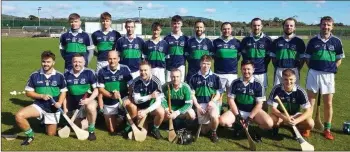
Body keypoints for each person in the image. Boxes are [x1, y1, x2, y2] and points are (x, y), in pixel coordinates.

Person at [305, 16, 345, 140]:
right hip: (314, 73)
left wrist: (332, 69)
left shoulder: (337, 41)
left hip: (328, 75)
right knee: (310, 102)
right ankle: (307, 127)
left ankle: (327, 129)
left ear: (332, 26)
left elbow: (339, 58)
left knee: (328, 103)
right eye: (324, 24)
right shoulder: (313, 41)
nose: (326, 27)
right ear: (320, 25)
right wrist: (314, 68)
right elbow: (307, 58)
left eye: (328, 25)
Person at [15, 51, 67, 145]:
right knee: (19, 116)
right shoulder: (34, 75)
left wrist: (59, 102)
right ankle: (30, 135)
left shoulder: (59, 76)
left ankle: (48, 122)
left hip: (53, 108)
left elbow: (63, 91)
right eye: (43, 61)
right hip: (39, 105)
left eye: (48, 62)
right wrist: (41, 96)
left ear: (53, 62)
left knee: (51, 134)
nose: (45, 64)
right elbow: (28, 92)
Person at [219, 60, 273, 142]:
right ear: (241, 69)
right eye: (244, 69)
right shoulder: (235, 83)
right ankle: (238, 127)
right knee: (222, 121)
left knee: (269, 123)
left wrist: (250, 118)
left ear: (253, 70)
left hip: (253, 112)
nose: (246, 71)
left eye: (249, 69)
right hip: (239, 110)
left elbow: (259, 104)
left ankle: (255, 133)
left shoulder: (258, 84)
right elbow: (230, 100)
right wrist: (237, 115)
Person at [123, 61, 165, 139]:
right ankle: (132, 126)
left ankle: (155, 128)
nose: (143, 72)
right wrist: (150, 96)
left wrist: (146, 111)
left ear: (150, 70)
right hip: (139, 109)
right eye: (141, 70)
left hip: (150, 108)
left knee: (161, 112)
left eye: (145, 70)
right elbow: (136, 100)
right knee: (143, 133)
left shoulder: (156, 82)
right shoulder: (136, 82)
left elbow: (158, 102)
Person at [268, 69, 314, 138]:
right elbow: (273, 109)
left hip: (295, 116)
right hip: (281, 115)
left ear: (295, 79)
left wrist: (296, 120)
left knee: (310, 123)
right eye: (285, 79)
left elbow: (308, 111)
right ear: (282, 79)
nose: (288, 82)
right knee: (270, 120)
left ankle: (295, 127)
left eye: (291, 79)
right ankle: (276, 127)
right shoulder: (277, 89)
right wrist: (285, 118)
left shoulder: (300, 91)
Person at [92, 12, 122, 117]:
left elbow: (119, 49)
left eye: (107, 20)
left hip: (112, 63)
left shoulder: (116, 34)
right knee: (100, 87)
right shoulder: (95, 34)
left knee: (113, 84)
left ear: (110, 21)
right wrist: (98, 54)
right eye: (103, 20)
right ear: (101, 21)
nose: (105, 23)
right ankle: (100, 110)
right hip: (100, 63)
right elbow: (92, 49)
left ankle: (117, 108)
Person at [63, 53, 99, 141]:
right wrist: (65, 108)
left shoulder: (89, 72)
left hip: (86, 101)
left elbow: (96, 90)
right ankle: (86, 120)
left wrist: (89, 99)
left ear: (84, 63)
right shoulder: (66, 74)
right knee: (81, 126)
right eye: (75, 62)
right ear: (72, 62)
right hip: (74, 105)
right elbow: (64, 93)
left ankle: (91, 130)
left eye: (80, 62)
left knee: (91, 107)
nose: (77, 64)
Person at [241, 17, 273, 111]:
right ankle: (250, 113)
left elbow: (268, 58)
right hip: (248, 73)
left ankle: (263, 115)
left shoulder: (268, 40)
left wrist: (262, 67)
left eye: (258, 25)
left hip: (262, 73)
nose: (256, 27)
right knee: (249, 94)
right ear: (251, 26)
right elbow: (243, 57)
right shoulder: (245, 40)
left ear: (261, 26)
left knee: (262, 96)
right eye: (254, 25)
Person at [97, 51, 133, 134]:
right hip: (109, 101)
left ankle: (126, 123)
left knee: (132, 106)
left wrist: (130, 97)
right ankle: (120, 117)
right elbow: (101, 89)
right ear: (107, 59)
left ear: (119, 59)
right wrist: (111, 95)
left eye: (114, 59)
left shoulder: (125, 68)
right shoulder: (102, 71)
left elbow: (131, 85)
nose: (112, 61)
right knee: (112, 129)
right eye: (110, 59)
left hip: (123, 99)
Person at [188, 55, 222, 143]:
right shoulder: (194, 77)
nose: (205, 66)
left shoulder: (215, 77)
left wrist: (213, 101)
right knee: (204, 131)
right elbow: (192, 95)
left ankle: (214, 132)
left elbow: (218, 93)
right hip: (200, 105)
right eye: (203, 63)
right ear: (200, 64)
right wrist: (198, 107)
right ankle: (207, 125)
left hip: (211, 103)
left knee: (214, 116)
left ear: (211, 65)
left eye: (208, 64)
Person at [270, 17, 306, 85]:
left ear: (294, 27)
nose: (289, 27)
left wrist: (297, 68)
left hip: (294, 70)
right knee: (278, 93)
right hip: (280, 70)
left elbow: (302, 58)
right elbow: (273, 58)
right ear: (283, 27)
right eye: (286, 25)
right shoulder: (276, 41)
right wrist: (278, 67)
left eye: (291, 25)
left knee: (294, 93)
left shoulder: (299, 42)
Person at [212, 22, 241, 100]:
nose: (226, 30)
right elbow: (213, 56)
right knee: (218, 95)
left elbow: (238, 56)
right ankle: (219, 111)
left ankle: (230, 110)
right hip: (219, 73)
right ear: (221, 30)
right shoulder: (215, 42)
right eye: (224, 29)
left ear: (231, 30)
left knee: (231, 95)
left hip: (232, 73)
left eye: (228, 29)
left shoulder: (237, 42)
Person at [164, 15, 189, 82]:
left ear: (181, 24)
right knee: (169, 86)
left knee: (180, 85)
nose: (176, 25)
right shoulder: (166, 38)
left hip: (181, 66)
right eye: (174, 23)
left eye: (178, 23)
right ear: (171, 24)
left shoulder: (186, 38)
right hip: (169, 67)